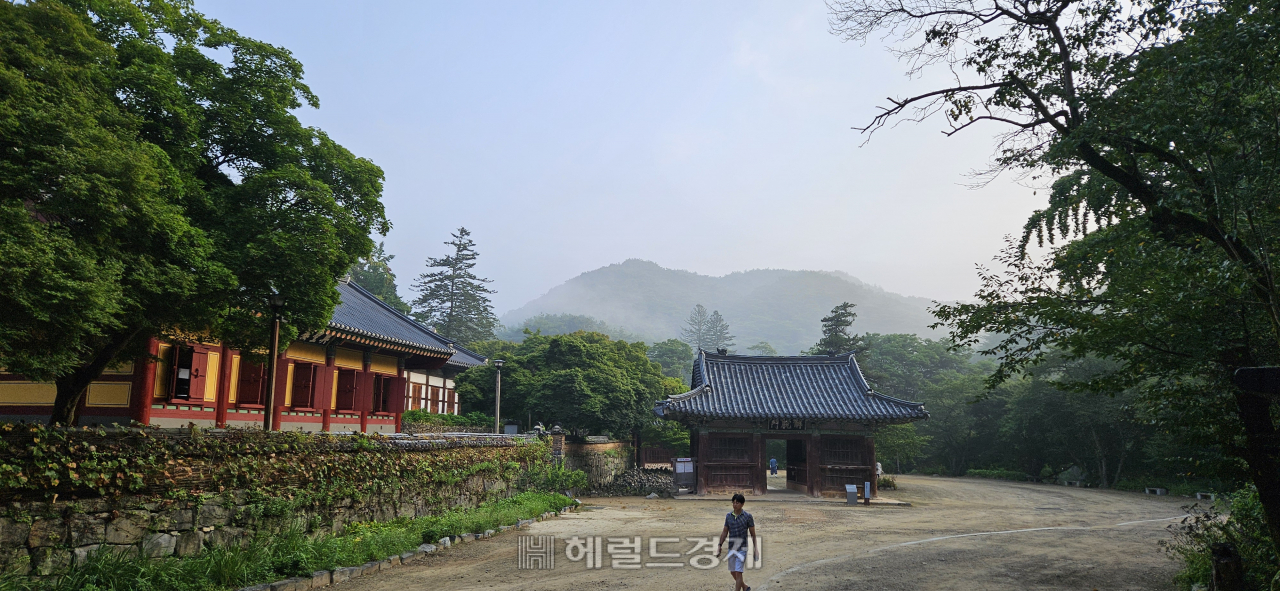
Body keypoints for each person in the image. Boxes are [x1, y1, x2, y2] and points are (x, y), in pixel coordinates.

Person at [715, 493, 758, 591]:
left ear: (742, 504)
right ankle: (745, 587)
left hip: (742, 548)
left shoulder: (748, 517)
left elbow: (753, 534)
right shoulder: (729, 516)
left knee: (738, 572)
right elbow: (725, 531)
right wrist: (719, 545)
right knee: (733, 572)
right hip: (732, 548)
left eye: (737, 503)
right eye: (733, 502)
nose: (735, 505)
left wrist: (756, 549)